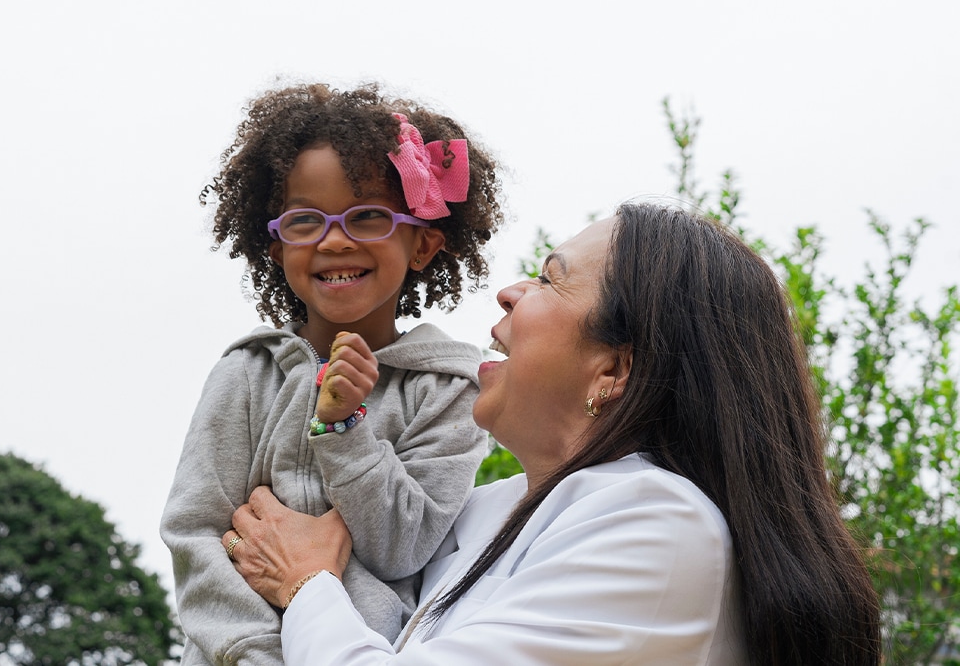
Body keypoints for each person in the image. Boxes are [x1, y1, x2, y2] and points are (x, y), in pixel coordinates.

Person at [226, 203, 883, 665]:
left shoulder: (659, 524)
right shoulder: (482, 511)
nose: (510, 292)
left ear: (615, 367)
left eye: (548, 277)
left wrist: (307, 582)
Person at [160, 82, 506, 665]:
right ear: (275, 248)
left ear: (422, 244)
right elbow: (196, 534)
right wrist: (256, 654)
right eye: (305, 220)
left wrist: (346, 432)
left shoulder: (451, 389)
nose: (336, 239)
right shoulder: (246, 373)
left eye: (368, 216)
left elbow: (404, 547)